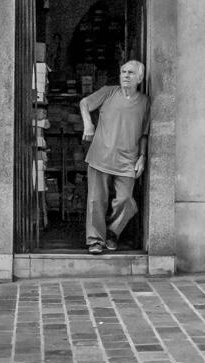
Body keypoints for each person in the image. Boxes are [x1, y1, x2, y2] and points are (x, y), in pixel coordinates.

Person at [79, 60, 150, 254]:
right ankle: (95, 240)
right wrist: (88, 124)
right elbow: (84, 103)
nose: (126, 76)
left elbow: (144, 133)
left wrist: (142, 156)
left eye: (131, 73)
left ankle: (112, 232)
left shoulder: (145, 102)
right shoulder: (109, 92)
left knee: (125, 200)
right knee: (96, 201)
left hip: (128, 160)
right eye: (123, 72)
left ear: (140, 78)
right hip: (100, 155)